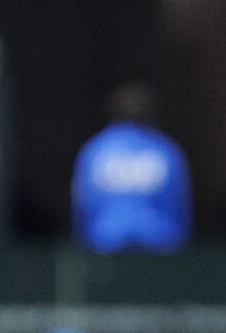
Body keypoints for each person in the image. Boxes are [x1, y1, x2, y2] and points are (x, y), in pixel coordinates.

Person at [71, 81, 192, 254]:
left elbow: (80, 207)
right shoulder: (165, 149)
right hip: (159, 249)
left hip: (104, 247)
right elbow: (180, 208)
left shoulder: (95, 150)